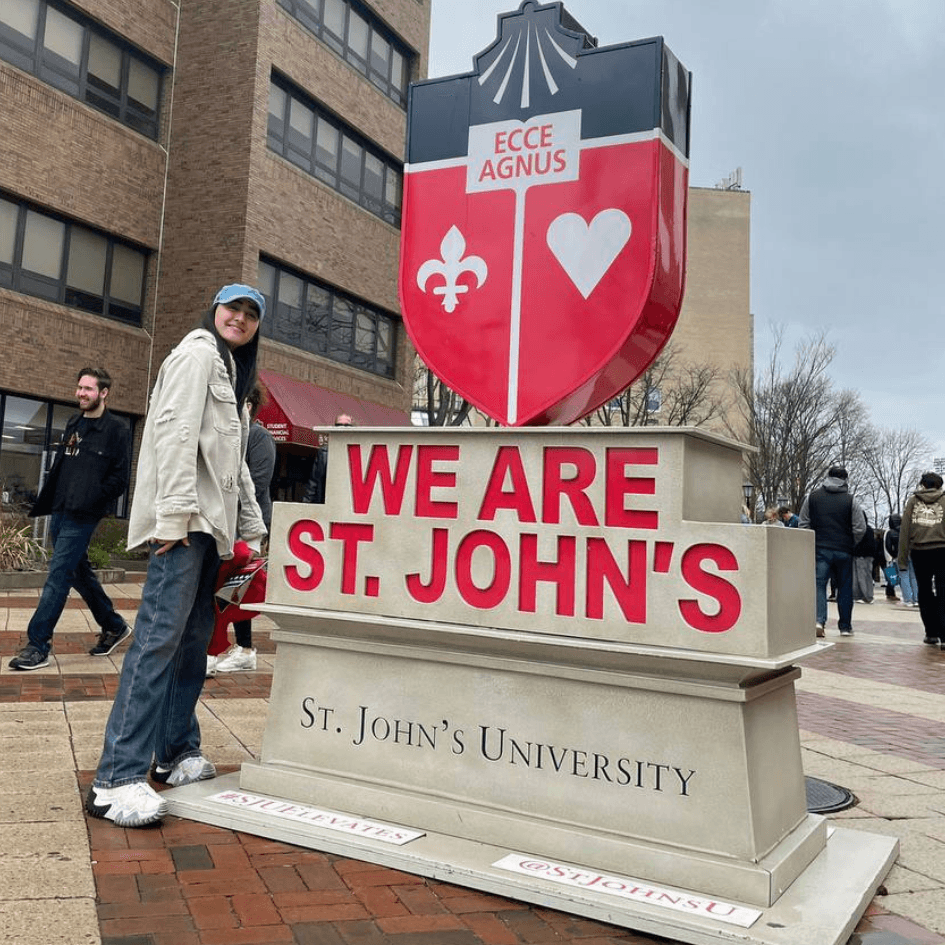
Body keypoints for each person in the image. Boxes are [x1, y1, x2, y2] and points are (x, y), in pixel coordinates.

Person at [86, 284, 267, 828]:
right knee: (157, 644)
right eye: (232, 308)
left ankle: (177, 751)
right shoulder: (195, 353)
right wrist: (172, 519)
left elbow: (231, 467)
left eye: (251, 313)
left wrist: (252, 532)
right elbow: (173, 434)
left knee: (192, 645)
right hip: (186, 528)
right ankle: (115, 779)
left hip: (211, 531)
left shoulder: (229, 371)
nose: (240, 317)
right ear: (213, 311)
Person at [9, 368, 132, 670]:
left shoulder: (116, 429)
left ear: (103, 393)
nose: (81, 393)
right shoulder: (74, 422)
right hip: (61, 510)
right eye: (79, 387)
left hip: (84, 515)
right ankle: (114, 625)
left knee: (58, 575)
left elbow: (119, 479)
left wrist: (92, 499)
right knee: (78, 572)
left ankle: (38, 645)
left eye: (88, 389)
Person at [207, 383, 276, 674]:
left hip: (247, 522)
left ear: (250, 406)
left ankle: (242, 649)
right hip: (226, 521)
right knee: (228, 589)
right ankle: (237, 648)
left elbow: (257, 483)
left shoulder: (260, 438)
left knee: (237, 588)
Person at [798, 466, 867, 638]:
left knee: (819, 585)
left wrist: (812, 542)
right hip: (844, 550)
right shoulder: (851, 500)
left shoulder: (812, 498)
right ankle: (845, 626)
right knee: (844, 587)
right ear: (846, 479)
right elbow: (860, 527)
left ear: (827, 477)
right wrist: (851, 543)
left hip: (820, 549)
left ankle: (819, 621)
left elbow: (803, 523)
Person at [897, 472, 945, 649]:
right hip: (942, 550)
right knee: (943, 591)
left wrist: (901, 559)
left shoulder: (913, 501)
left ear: (922, 485)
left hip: (919, 551)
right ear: (939, 486)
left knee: (924, 591)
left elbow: (905, 530)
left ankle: (931, 633)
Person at [302, 413, 354, 504]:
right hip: (326, 502)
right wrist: (306, 504)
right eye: (339, 425)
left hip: (348, 503)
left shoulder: (357, 451)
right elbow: (314, 481)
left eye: (347, 425)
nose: (342, 428)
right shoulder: (324, 452)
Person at [885, 513, 917, 607]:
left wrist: (894, 555)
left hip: (900, 556)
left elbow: (888, 546)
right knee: (913, 577)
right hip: (911, 555)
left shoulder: (890, 532)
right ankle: (916, 599)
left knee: (904, 576)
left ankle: (907, 599)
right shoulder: (908, 531)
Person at [851, 514, 875, 604]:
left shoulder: (859, 529)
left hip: (861, 555)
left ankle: (866, 596)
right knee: (864, 576)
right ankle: (863, 596)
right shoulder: (869, 529)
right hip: (866, 556)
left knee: (861, 576)